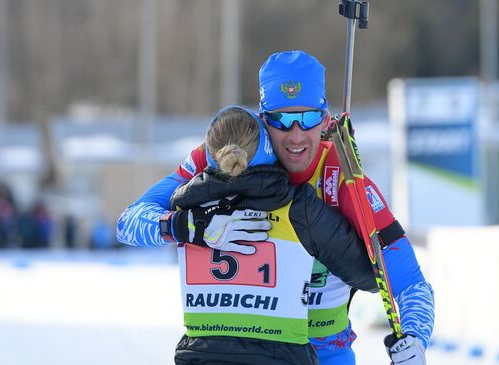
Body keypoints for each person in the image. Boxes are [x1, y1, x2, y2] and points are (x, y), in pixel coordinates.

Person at [171, 50, 435, 365]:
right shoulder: (227, 156)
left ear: (325, 119)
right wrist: (179, 225)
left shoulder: (341, 177)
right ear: (262, 120)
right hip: (253, 355)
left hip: (326, 354)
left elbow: (410, 282)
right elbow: (133, 221)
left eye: (308, 118)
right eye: (281, 120)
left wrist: (415, 338)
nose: (296, 135)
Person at [118, 106, 378, 365]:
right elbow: (370, 275)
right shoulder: (300, 208)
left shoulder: (188, 202)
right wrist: (332, 155)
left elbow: (127, 224)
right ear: (269, 150)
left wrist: (182, 226)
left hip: (202, 356)